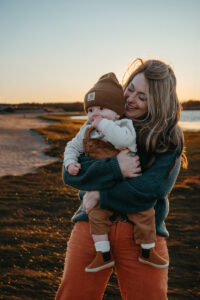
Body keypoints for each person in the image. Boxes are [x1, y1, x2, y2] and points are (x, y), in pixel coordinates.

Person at [55, 59, 187, 300]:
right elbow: (71, 173)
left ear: (158, 102)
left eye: (142, 97)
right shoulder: (98, 122)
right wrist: (116, 167)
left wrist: (100, 194)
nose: (130, 99)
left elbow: (149, 189)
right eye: (130, 89)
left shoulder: (169, 137)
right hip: (90, 228)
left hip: (142, 235)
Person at [63, 72, 168, 273]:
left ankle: (147, 250)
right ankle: (103, 254)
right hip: (94, 210)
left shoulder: (122, 125)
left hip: (132, 207)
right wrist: (70, 163)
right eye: (91, 109)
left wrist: (100, 194)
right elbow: (70, 164)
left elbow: (122, 142)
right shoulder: (87, 129)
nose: (95, 114)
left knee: (144, 214)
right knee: (97, 219)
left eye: (142, 96)